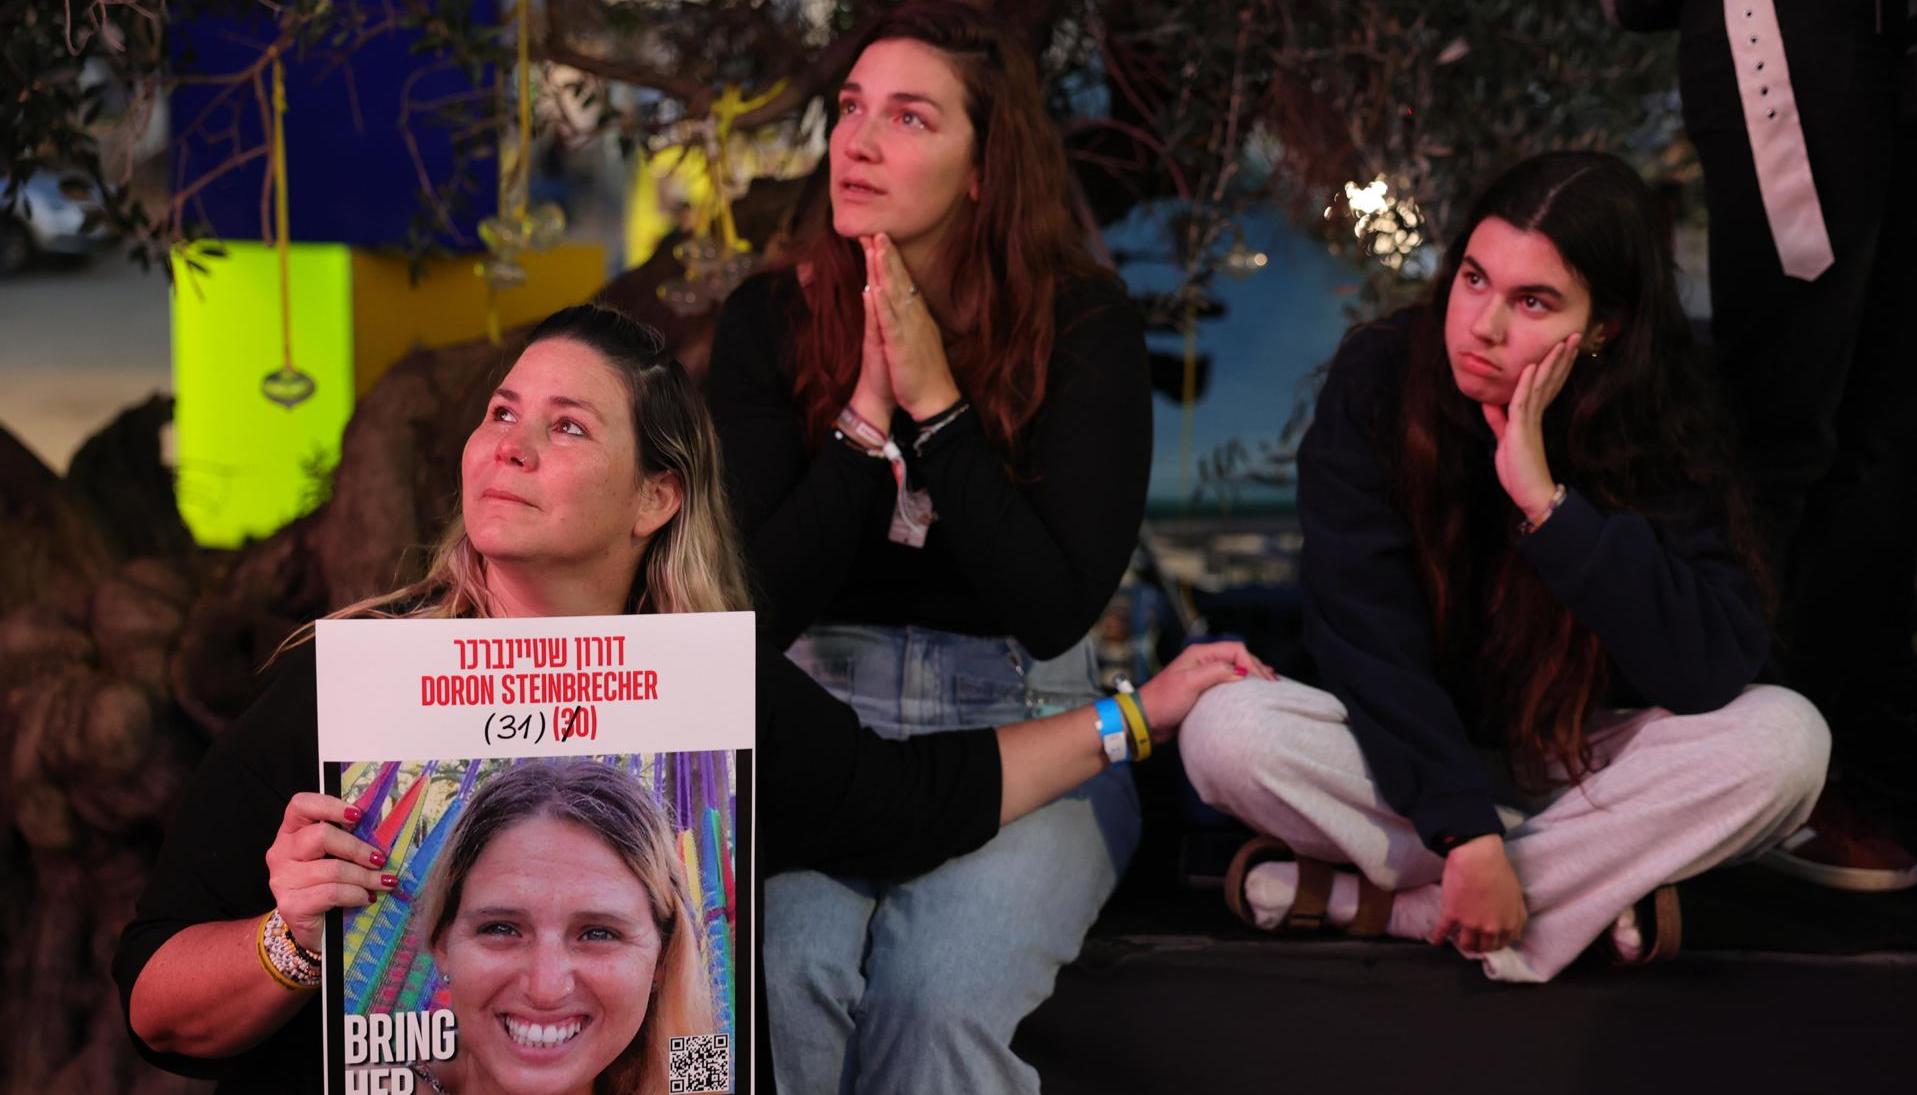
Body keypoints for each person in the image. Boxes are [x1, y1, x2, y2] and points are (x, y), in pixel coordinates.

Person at [114, 304, 1260, 1093]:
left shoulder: (705, 701)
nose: (508, 447)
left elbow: (923, 800)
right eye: (501, 413)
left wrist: (1140, 714)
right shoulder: (346, 687)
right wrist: (290, 939)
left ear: (655, 496)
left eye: (566, 427)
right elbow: (157, 1009)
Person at [1179, 151, 1831, 982]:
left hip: (1576, 763)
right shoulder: (1379, 376)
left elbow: (1707, 667)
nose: (1482, 326)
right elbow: (1362, 634)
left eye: (1531, 302)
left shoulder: (1662, 408)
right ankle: (1576, 884)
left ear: (1603, 328)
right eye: (1474, 279)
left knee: (1786, 740)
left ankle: (1394, 908)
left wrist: (1547, 507)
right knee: (1224, 730)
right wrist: (1465, 830)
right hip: (1403, 762)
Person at [702, 3, 1151, 1090]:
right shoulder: (773, 320)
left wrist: (939, 411)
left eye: (909, 118)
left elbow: (1051, 607)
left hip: (1031, 728)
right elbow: (744, 621)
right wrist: (863, 426)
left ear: (985, 166)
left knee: (935, 999)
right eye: (852, 110)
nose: (857, 142)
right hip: (821, 731)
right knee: (783, 974)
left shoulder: (1084, 326)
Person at [1604, 0, 1917, 890]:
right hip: (1791, 22)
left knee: (1891, 439)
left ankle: (1857, 768)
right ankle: (1749, 764)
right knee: (1781, 421)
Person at [404, 760, 714, 1095]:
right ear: (442, 943)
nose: (545, 989)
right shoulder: (365, 1080)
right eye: (501, 929)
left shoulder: (699, 1070)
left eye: (599, 934)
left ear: (663, 955)